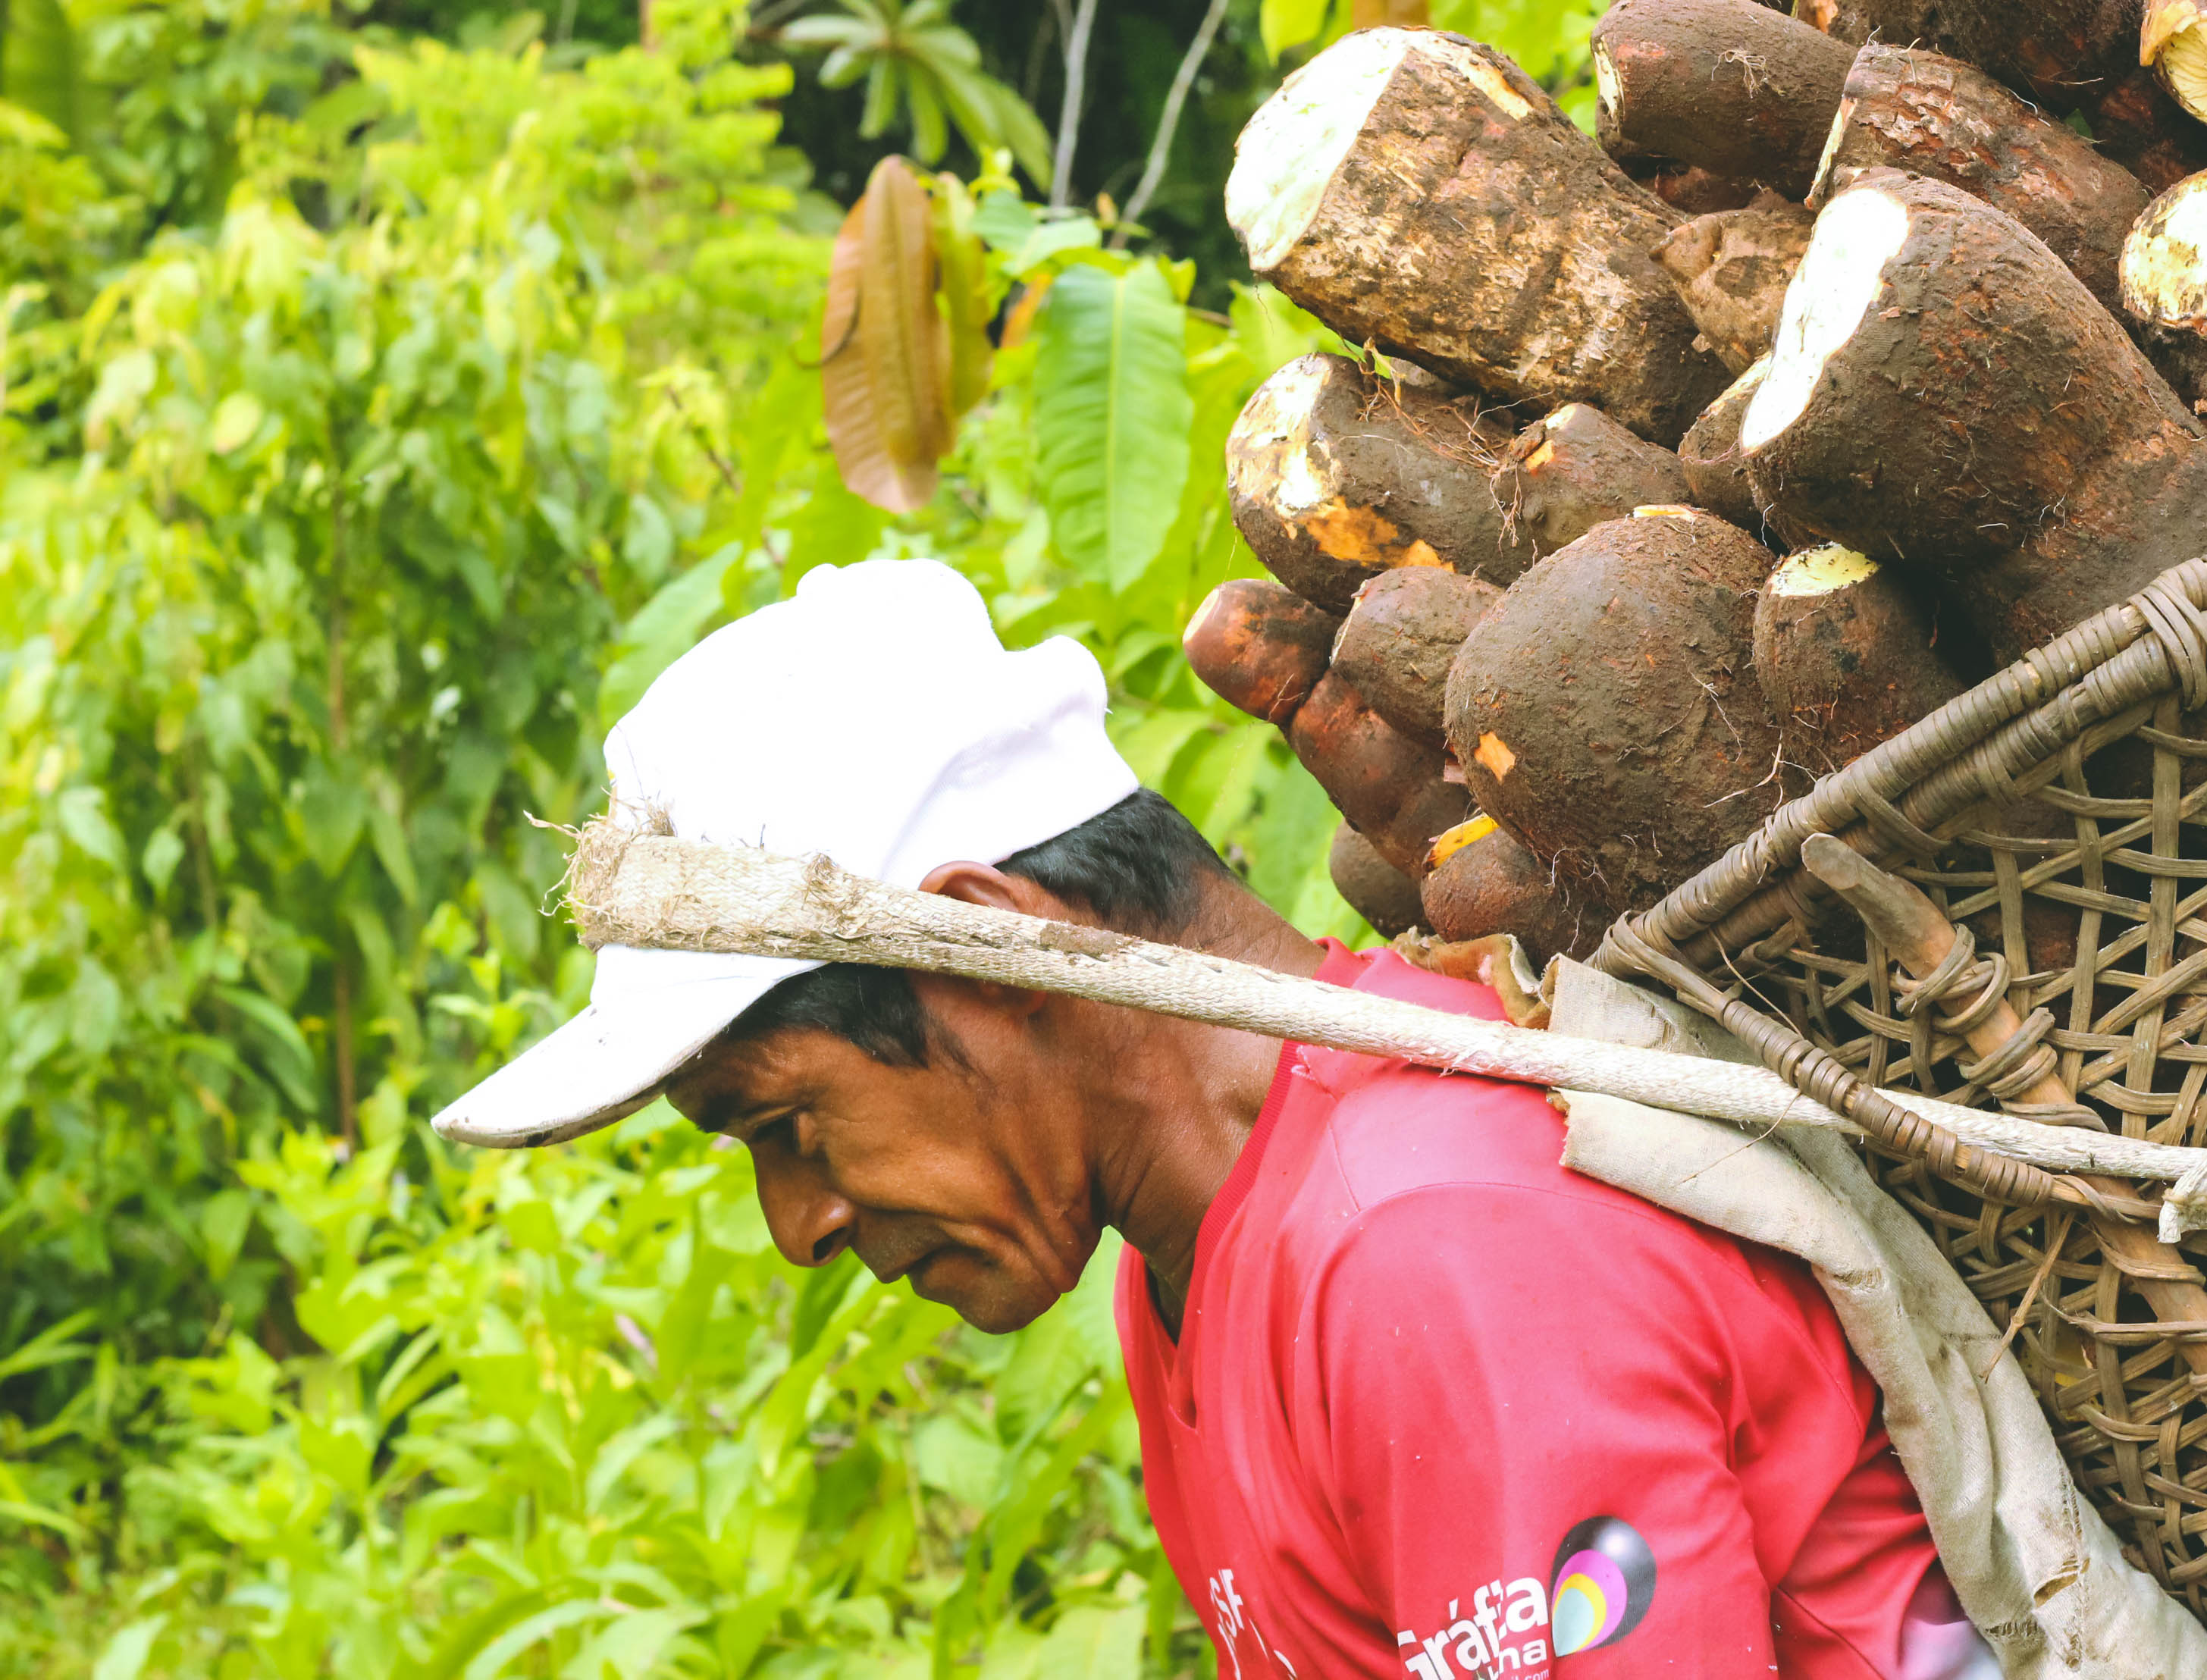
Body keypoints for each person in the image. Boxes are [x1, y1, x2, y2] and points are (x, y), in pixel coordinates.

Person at [437, 559, 1992, 1680]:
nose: (797, 1230)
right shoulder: (1193, 1268)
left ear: (995, 945)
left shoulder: (1431, 1249)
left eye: (788, 1125)